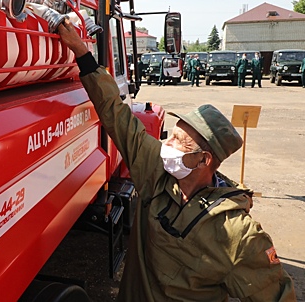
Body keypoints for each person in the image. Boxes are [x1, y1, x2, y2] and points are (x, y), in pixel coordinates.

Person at [57, 20, 296, 302]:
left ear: (203, 160)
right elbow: (117, 115)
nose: (165, 146)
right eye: (172, 136)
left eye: (178, 142)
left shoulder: (237, 236)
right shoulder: (156, 173)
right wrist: (82, 53)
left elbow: (277, 295)